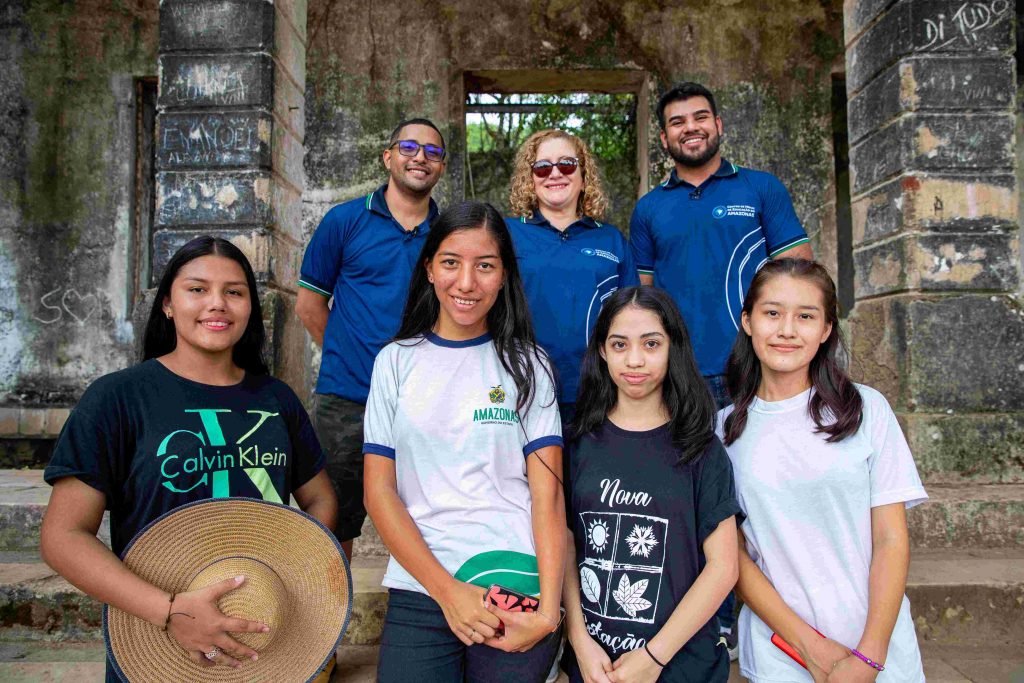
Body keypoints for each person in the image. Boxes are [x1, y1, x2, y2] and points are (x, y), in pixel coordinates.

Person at [40, 236, 338, 682]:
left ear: (250, 309)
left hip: (261, 637)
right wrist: (170, 610)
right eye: (197, 289)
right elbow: (62, 536)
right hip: (155, 632)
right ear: (166, 304)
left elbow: (322, 499)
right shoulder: (116, 398)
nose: (217, 304)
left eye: (234, 292)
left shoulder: (277, 398)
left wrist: (288, 576)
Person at [630, 81, 813, 650]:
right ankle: (713, 616)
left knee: (762, 491)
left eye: (700, 117)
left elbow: (798, 270)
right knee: (693, 495)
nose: (691, 128)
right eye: (678, 121)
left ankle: (779, 611)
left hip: (752, 372)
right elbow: (645, 299)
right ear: (664, 137)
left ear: (718, 125)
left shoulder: (760, 188)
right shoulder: (649, 208)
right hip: (681, 377)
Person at [363, 201, 566, 683]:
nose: (467, 282)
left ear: (504, 275)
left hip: (514, 577)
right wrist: (446, 591)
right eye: (451, 262)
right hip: (422, 582)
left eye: (485, 265)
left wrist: (549, 612)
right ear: (430, 268)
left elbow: (547, 494)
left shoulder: (529, 364)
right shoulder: (394, 363)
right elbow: (379, 492)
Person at [718, 259, 927, 682]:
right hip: (783, 652)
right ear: (747, 321)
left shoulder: (866, 409)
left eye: (806, 316)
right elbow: (733, 557)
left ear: (827, 329)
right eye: (772, 313)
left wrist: (869, 656)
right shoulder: (722, 430)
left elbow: (890, 538)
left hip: (878, 646)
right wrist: (810, 648)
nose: (787, 330)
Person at [562, 285, 741, 683]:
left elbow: (724, 567)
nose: (635, 360)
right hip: (596, 668)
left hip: (680, 666)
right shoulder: (576, 444)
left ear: (672, 347)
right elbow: (567, 545)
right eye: (620, 344)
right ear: (603, 351)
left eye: (651, 343)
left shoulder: (701, 449)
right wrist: (579, 640)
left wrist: (654, 658)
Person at [296, 117, 446, 558]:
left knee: (433, 514)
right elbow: (309, 305)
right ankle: (325, 617)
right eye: (409, 147)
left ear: (440, 167)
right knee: (332, 517)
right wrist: (354, 357)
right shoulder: (344, 221)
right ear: (388, 157)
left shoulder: (448, 233)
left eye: (433, 152)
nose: (420, 157)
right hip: (347, 398)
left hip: (426, 398)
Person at [507, 129, 639, 425]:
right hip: (522, 391)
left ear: (583, 176)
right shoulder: (507, 234)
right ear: (531, 178)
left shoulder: (611, 240)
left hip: (598, 393)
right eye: (543, 167)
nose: (555, 174)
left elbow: (633, 318)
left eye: (566, 164)